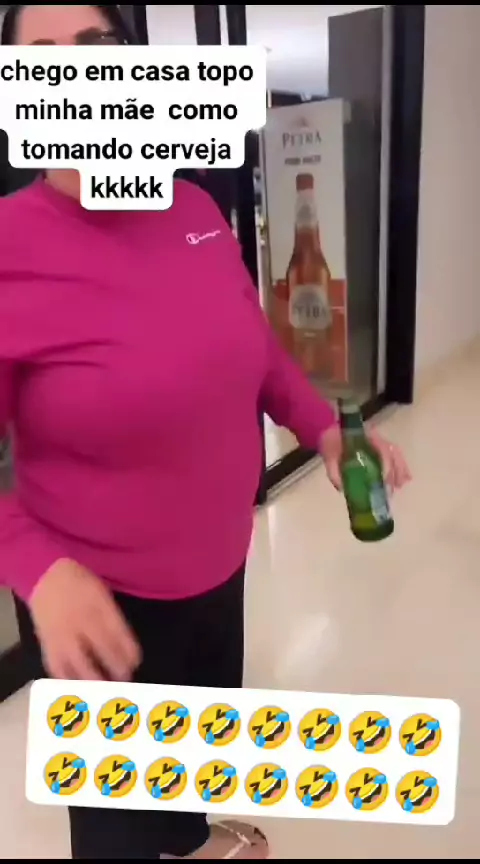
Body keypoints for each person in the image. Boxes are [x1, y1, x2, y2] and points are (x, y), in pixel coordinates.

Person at [0, 4, 411, 860]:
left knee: (195, 754)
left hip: (218, 571)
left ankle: (189, 839)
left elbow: (253, 348)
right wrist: (39, 572)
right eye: (42, 57)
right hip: (98, 603)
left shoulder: (191, 205)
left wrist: (322, 429)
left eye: (96, 47)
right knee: (116, 829)